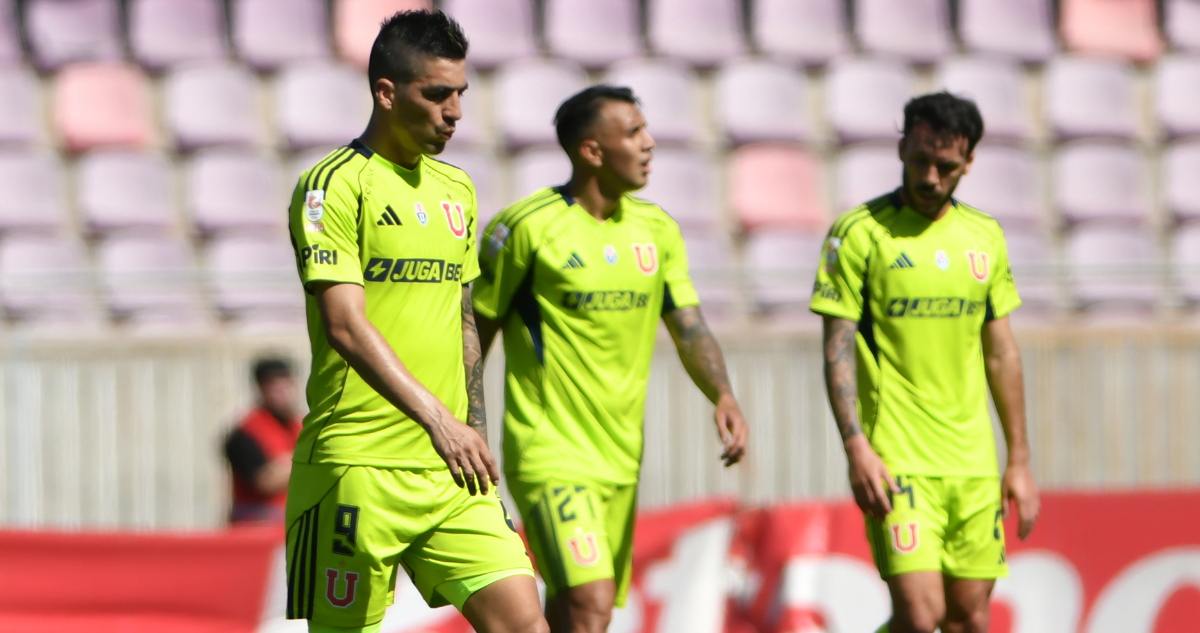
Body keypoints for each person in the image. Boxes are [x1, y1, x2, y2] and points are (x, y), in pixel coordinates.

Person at [284, 10, 546, 633]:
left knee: (527, 626)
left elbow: (464, 325)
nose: (455, 111)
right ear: (386, 92)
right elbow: (345, 326)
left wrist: (472, 435)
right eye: (436, 94)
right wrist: (439, 421)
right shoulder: (332, 187)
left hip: (451, 472)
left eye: (461, 94)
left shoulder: (457, 189)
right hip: (356, 468)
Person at [472, 85, 750, 633]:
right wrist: (466, 424)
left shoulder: (657, 229)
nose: (649, 144)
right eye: (633, 133)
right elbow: (473, 333)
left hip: (621, 457)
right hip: (548, 451)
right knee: (592, 602)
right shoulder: (526, 228)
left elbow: (688, 325)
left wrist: (722, 393)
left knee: (575, 612)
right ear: (592, 151)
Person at [810, 92, 1041, 633]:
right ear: (902, 149)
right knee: (921, 615)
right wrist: (856, 446)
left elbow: (1001, 352)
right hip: (897, 458)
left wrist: (1020, 460)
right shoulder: (859, 233)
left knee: (968, 619)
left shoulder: (984, 236)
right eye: (919, 160)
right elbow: (836, 347)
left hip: (972, 463)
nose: (931, 177)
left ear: (970, 162)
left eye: (946, 166)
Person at [224, 357, 301, 526]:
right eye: (274, 386)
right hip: (256, 524)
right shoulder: (245, 432)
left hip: (292, 523)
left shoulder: (300, 426)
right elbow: (264, 482)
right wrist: (308, 455)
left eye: (286, 384)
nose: (282, 392)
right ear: (261, 388)